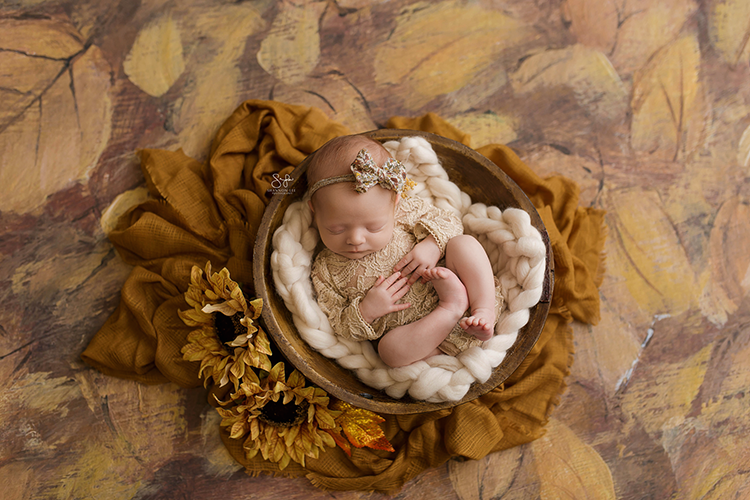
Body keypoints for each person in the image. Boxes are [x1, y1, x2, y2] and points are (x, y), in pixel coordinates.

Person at [308, 135, 503, 368]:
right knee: (389, 352)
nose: (356, 239)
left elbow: (450, 221)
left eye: (374, 227)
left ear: (395, 204)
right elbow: (339, 324)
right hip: (432, 342)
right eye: (336, 229)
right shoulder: (325, 268)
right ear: (314, 211)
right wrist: (366, 310)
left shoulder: (406, 213)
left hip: (473, 303)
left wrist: (432, 245)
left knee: (463, 244)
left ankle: (485, 310)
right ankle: (450, 307)